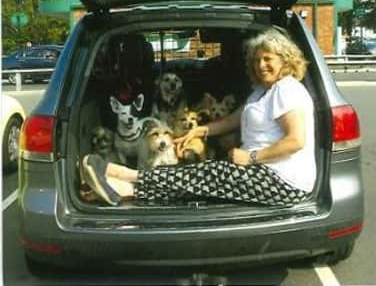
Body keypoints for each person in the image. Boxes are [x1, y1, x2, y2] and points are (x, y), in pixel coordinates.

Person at [81, 28, 316, 207]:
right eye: (256, 60)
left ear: (285, 60)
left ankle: (124, 181)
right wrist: (199, 131)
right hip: (261, 170)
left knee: (208, 173)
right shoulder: (261, 91)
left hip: (283, 181)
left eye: (268, 59)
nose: (261, 65)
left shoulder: (286, 88)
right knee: (200, 173)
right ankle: (121, 184)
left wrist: (251, 157)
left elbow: (296, 140)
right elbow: (234, 120)